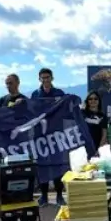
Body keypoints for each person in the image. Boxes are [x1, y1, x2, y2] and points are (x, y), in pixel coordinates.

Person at [32, 68, 67, 206]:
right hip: (39, 136)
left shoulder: (59, 93)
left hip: (57, 136)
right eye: (43, 78)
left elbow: (65, 109)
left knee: (58, 166)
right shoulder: (35, 94)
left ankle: (59, 195)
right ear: (39, 79)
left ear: (52, 78)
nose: (45, 80)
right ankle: (44, 196)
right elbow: (31, 112)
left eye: (47, 77)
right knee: (42, 167)